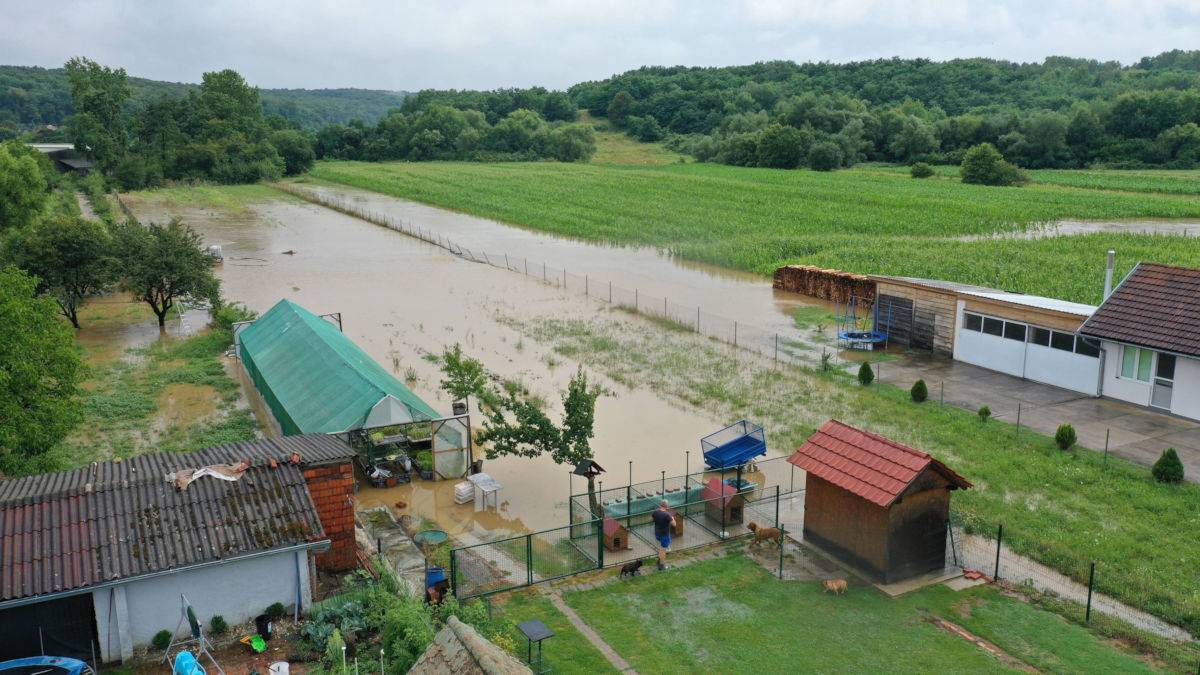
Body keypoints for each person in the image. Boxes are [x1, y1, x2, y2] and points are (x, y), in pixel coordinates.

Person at [651, 500, 677, 570]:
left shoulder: (655, 512)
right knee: (663, 550)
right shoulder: (667, 515)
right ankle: (662, 566)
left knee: (662, 548)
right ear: (667, 506)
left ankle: (659, 561)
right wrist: (672, 518)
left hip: (657, 533)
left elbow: (652, 519)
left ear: (660, 505)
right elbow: (674, 524)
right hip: (664, 535)